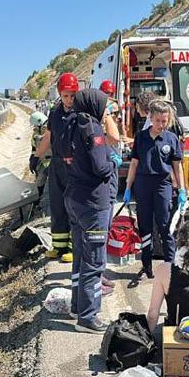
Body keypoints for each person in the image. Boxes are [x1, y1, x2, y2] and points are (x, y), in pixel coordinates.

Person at [65, 88, 121, 333]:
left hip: (74, 199)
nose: (107, 109)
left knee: (80, 257)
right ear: (94, 105)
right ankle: (88, 317)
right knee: (95, 261)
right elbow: (101, 167)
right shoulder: (93, 130)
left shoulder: (73, 124)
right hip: (93, 205)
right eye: (105, 105)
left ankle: (77, 307)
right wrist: (113, 162)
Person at [124, 99, 186, 281]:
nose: (161, 124)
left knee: (165, 225)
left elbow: (177, 167)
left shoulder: (171, 139)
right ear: (150, 118)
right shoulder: (141, 137)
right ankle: (146, 267)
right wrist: (128, 187)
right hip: (142, 184)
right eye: (158, 120)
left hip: (162, 185)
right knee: (145, 227)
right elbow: (134, 164)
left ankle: (171, 266)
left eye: (164, 121)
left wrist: (182, 190)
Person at [33, 73, 79, 263]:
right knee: (57, 205)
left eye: (72, 95)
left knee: (74, 207)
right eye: (65, 95)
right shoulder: (55, 112)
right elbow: (48, 136)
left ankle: (74, 248)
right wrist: (36, 156)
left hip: (75, 166)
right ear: (60, 94)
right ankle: (59, 246)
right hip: (57, 164)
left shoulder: (82, 112)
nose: (69, 99)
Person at [28, 111, 51, 209]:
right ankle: (36, 203)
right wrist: (32, 158)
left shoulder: (49, 130)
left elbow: (44, 142)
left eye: (35, 125)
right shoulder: (36, 133)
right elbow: (34, 147)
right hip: (42, 162)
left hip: (52, 161)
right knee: (39, 182)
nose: (34, 127)